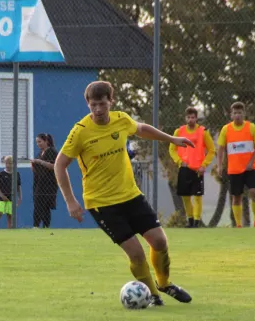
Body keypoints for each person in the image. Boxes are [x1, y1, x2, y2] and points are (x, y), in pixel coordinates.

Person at [55, 80, 194, 307]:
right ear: (87, 104)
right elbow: (59, 165)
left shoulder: (121, 120)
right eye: (93, 105)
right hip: (102, 203)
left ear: (111, 101)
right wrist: (70, 201)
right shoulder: (80, 132)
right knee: (137, 254)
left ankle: (164, 283)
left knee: (159, 241)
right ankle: (153, 297)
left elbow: (141, 129)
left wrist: (172, 139)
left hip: (130, 195)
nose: (98, 110)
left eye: (102, 104)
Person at [216, 101, 255, 228]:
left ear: (244, 114)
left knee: (254, 192)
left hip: (250, 168)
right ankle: (238, 224)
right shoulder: (226, 129)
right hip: (234, 170)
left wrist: (251, 162)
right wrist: (219, 165)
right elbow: (220, 148)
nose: (237, 115)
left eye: (240, 113)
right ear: (231, 115)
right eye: (235, 113)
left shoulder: (251, 127)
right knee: (236, 197)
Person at [168, 107, 215, 228]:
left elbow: (211, 150)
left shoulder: (203, 132)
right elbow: (172, 149)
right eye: (188, 117)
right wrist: (179, 161)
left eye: (193, 117)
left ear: (196, 118)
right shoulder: (179, 132)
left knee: (198, 196)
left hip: (198, 170)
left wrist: (204, 165)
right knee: (185, 196)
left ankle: (196, 222)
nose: (190, 119)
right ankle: (190, 220)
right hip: (184, 169)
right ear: (185, 118)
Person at [31, 133, 58, 228]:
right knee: (38, 203)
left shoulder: (51, 151)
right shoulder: (39, 153)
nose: (38, 144)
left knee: (44, 205)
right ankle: (38, 226)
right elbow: (37, 169)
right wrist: (33, 164)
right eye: (36, 142)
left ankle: (40, 225)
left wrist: (40, 162)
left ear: (46, 141)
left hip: (49, 184)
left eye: (40, 142)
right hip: (39, 182)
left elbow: (55, 166)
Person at [0, 156, 22, 229]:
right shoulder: (1, 174)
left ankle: (9, 231)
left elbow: (18, 187)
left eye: (10, 163)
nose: (8, 165)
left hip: (11, 198)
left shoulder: (16, 174)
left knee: (10, 216)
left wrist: (20, 197)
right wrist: (1, 195)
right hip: (2, 199)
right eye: (7, 163)